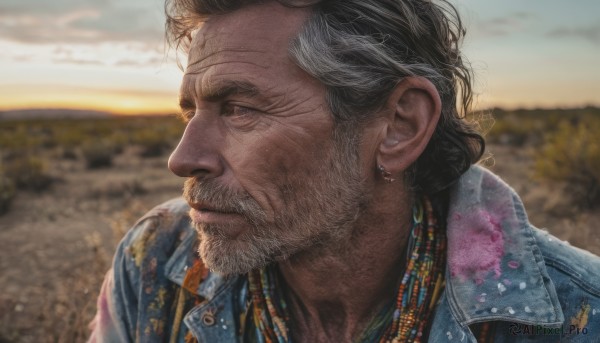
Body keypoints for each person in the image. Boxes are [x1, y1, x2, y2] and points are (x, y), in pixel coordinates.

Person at [88, 0, 600, 342]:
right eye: (189, 112)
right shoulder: (156, 257)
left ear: (399, 126)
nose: (182, 158)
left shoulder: (576, 317)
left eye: (240, 108)